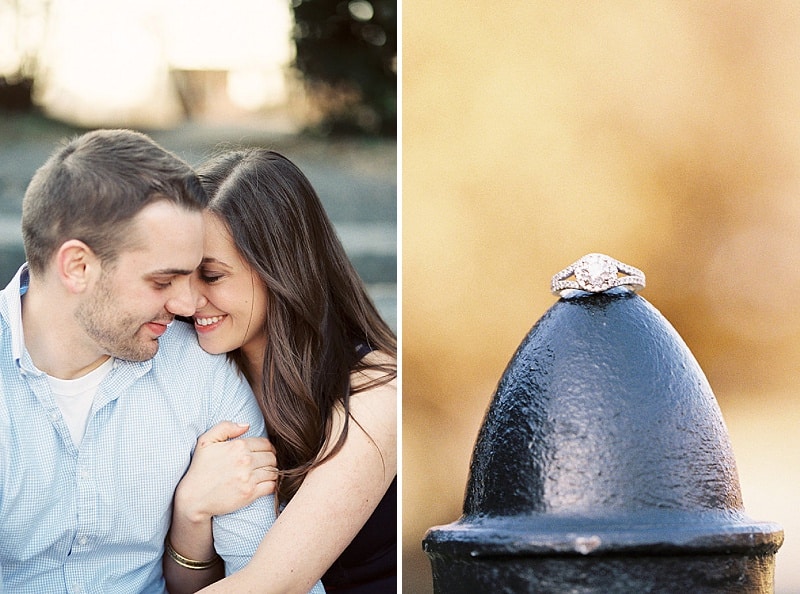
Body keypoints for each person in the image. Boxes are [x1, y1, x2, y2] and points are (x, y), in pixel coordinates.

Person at [0, 129, 288, 593]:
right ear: (77, 267)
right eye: (162, 282)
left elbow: (264, 574)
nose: (188, 306)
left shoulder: (201, 371)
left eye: (196, 275)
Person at [167, 148, 397, 593]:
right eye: (181, 276)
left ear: (281, 270)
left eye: (211, 277)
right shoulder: (196, 368)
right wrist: (191, 513)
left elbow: (272, 586)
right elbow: (189, 584)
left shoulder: (374, 391)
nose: (187, 301)